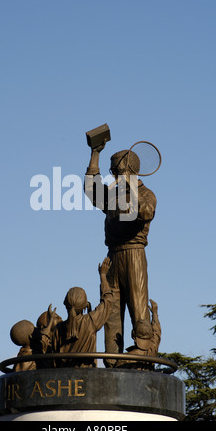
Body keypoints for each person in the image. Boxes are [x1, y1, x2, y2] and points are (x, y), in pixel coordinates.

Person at [84, 142, 157, 366]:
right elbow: (91, 189)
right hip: (112, 257)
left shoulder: (145, 193)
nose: (112, 175)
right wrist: (95, 153)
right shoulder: (113, 195)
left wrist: (130, 187)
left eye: (115, 170)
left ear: (125, 170)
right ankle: (114, 363)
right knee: (111, 312)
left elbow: (145, 212)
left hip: (134, 255)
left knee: (139, 310)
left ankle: (142, 360)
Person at [47, 257, 113, 368]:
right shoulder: (90, 322)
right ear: (85, 305)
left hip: (63, 378)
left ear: (65, 304)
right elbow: (108, 301)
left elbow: (53, 358)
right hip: (87, 378)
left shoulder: (58, 329)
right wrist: (103, 276)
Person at [117, 299, 161, 369]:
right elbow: (157, 334)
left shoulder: (125, 359)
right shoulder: (151, 352)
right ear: (150, 336)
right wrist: (155, 314)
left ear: (133, 335)